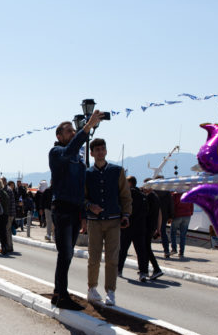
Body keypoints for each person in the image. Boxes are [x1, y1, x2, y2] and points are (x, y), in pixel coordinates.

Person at [48, 112, 104, 310]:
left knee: (68, 254)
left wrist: (83, 214)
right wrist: (86, 128)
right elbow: (70, 151)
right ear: (59, 136)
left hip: (74, 210)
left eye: (74, 130)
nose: (73, 133)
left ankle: (58, 293)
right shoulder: (56, 153)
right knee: (65, 253)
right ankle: (61, 295)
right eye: (69, 131)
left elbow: (80, 187)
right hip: (62, 208)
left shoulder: (78, 158)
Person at [84, 139, 131, 306]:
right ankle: (92, 289)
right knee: (94, 257)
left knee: (112, 257)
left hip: (113, 220)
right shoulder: (87, 174)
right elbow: (83, 197)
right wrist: (90, 206)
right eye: (97, 150)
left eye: (103, 149)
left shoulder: (117, 171)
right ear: (92, 153)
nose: (100, 152)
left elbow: (125, 195)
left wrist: (126, 214)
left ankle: (111, 291)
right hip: (94, 222)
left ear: (106, 151)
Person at [117, 176, 149, 281]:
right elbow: (146, 212)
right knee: (141, 251)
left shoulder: (126, 195)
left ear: (129, 183)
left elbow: (121, 209)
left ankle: (118, 270)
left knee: (123, 250)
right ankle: (143, 272)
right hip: (141, 227)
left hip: (127, 226)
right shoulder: (143, 196)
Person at [142, 178, 164, 280]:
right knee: (146, 247)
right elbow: (160, 214)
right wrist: (158, 229)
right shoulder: (156, 197)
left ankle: (156, 269)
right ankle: (145, 269)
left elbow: (146, 213)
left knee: (146, 248)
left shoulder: (149, 197)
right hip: (153, 226)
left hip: (148, 226)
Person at [153, 180, 174, 258]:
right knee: (163, 232)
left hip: (154, 214)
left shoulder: (153, 191)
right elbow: (171, 205)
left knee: (149, 231)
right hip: (164, 215)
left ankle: (147, 250)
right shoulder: (167, 192)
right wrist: (171, 216)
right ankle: (166, 251)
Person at [171, 192, 194, 258]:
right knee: (183, 235)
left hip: (177, 215)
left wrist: (171, 216)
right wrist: (190, 213)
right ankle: (181, 253)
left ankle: (174, 249)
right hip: (187, 215)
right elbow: (191, 206)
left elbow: (173, 206)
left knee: (173, 232)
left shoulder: (175, 195)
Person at [3, 178, 16, 252]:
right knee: (8, 230)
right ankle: (10, 246)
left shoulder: (7, 190)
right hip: (11, 213)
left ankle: (8, 247)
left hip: (8, 213)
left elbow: (7, 203)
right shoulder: (9, 189)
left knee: (7, 231)